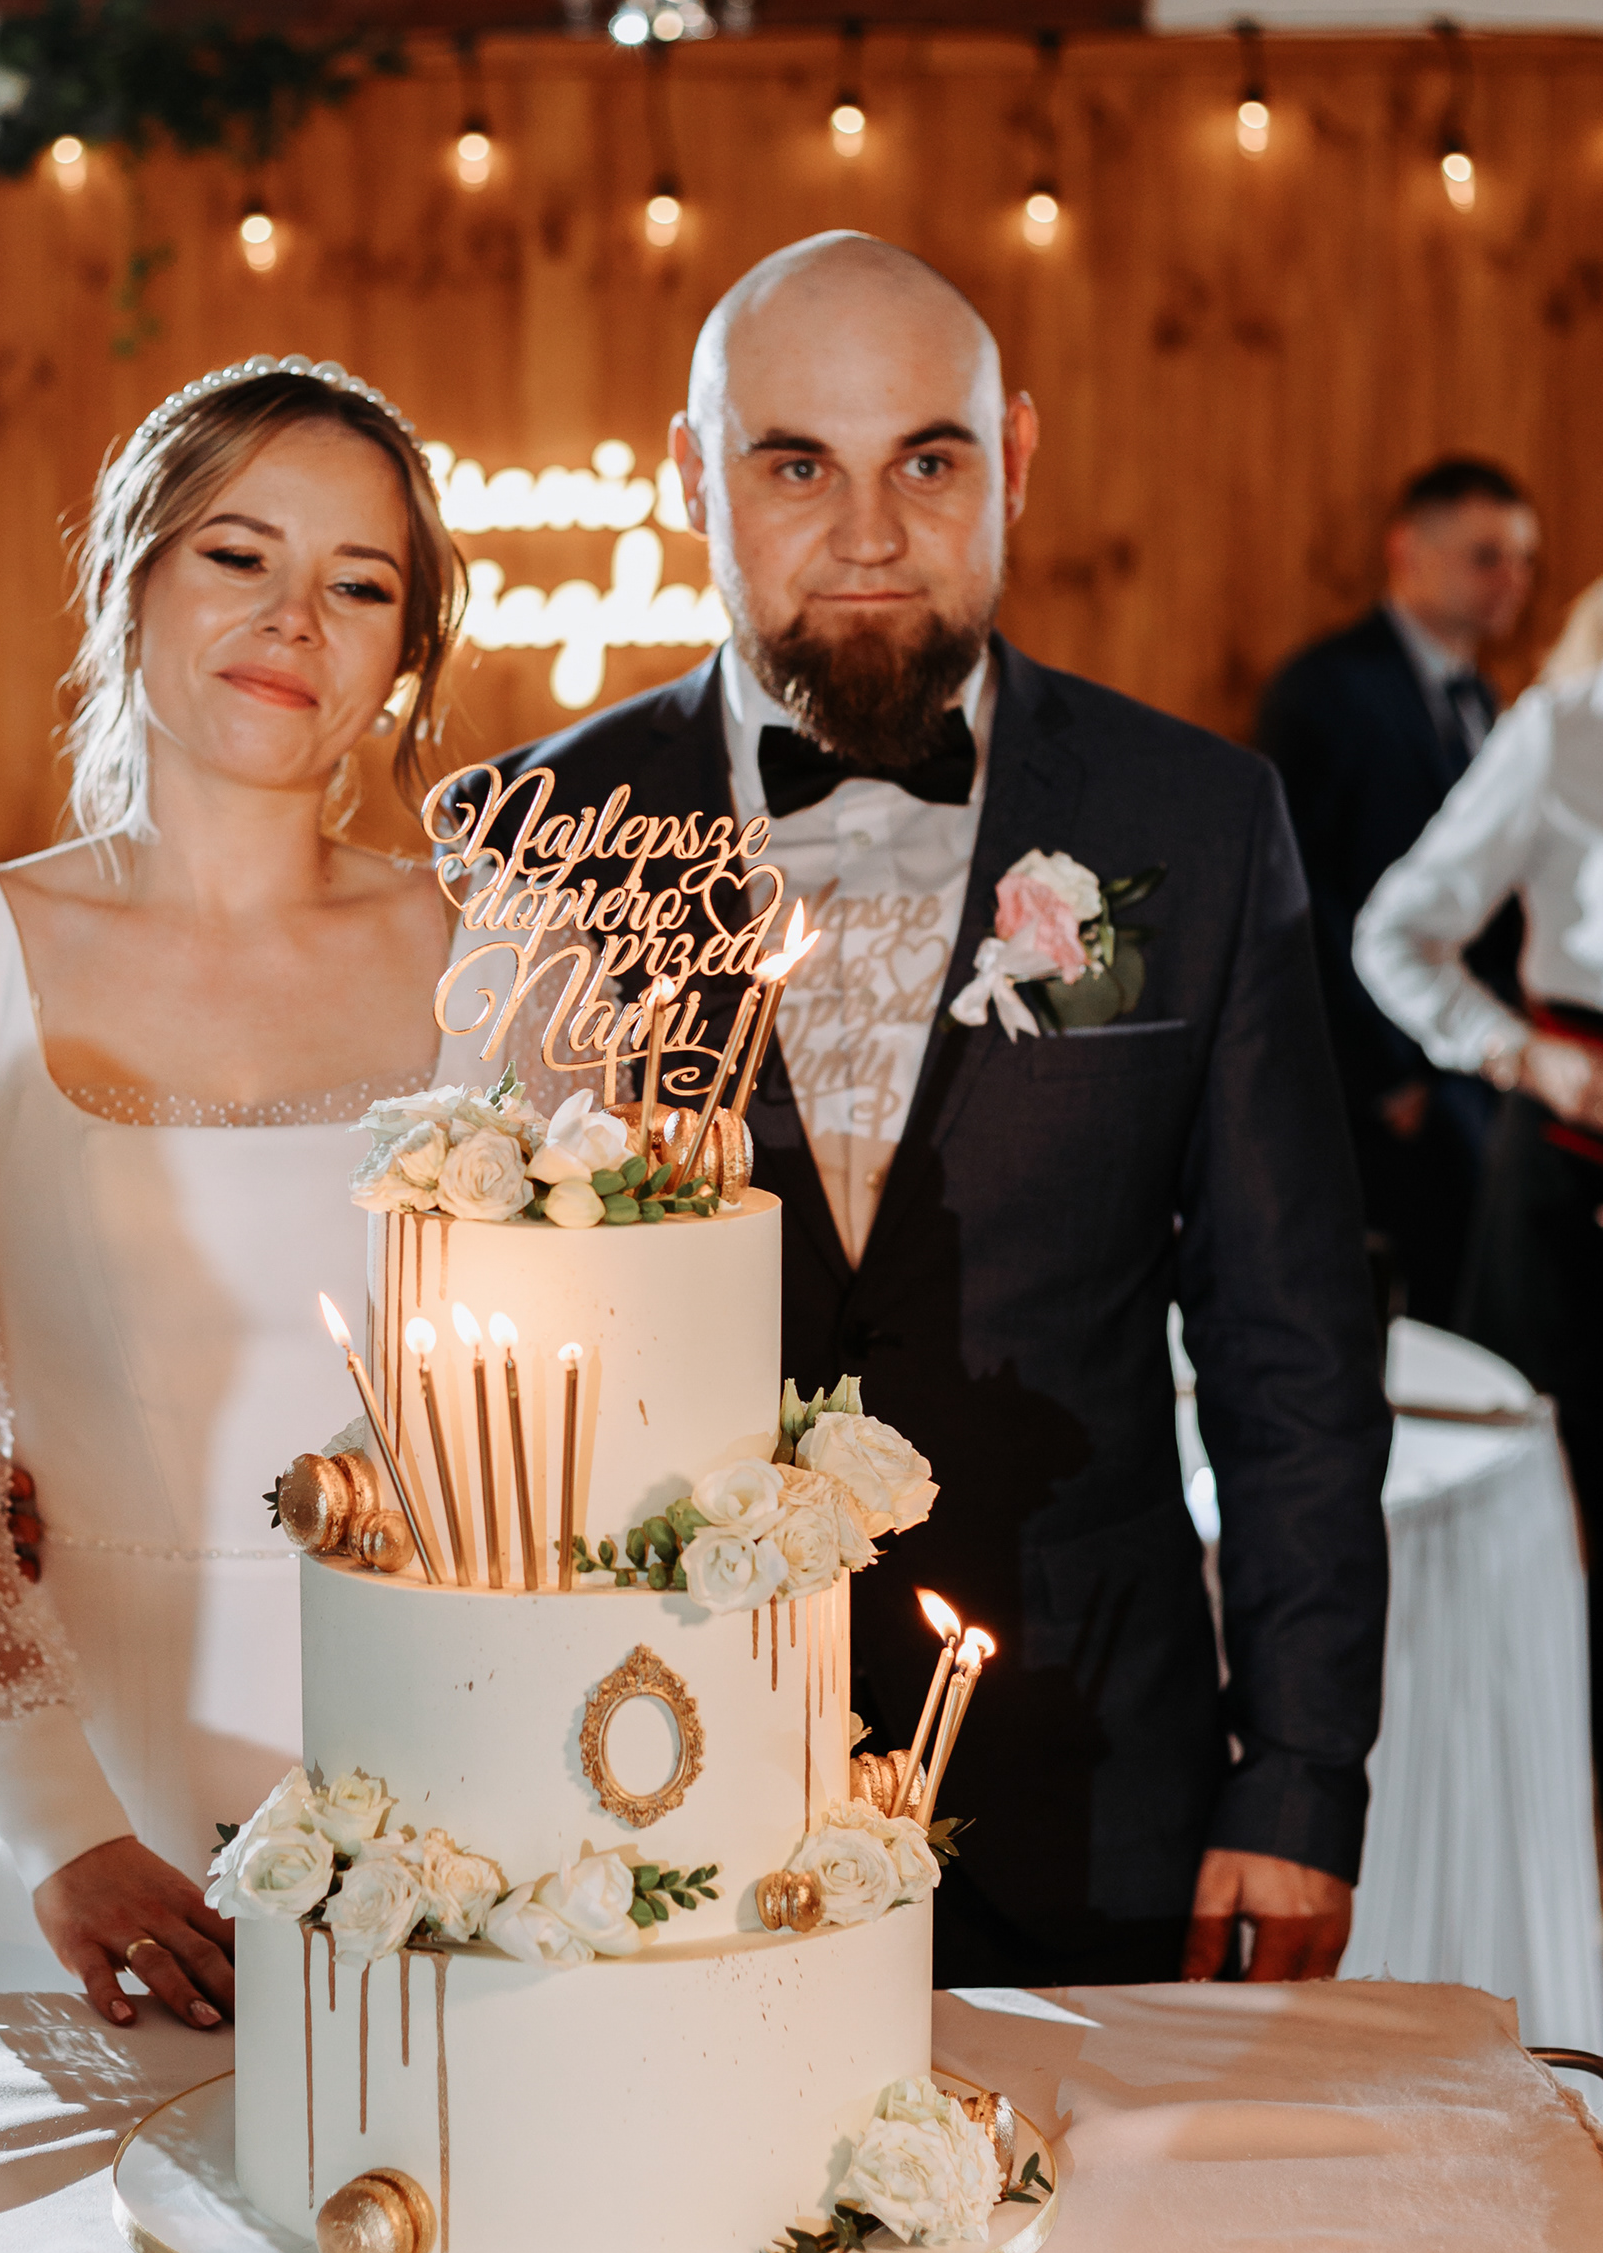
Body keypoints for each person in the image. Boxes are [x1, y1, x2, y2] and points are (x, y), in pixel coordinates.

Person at [471, 232, 1390, 1988]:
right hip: (649, 1776)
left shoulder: (1195, 822)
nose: (870, 533)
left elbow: (1293, 1353)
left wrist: (1300, 1778)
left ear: (1015, 460)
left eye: (928, 462)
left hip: (1093, 1766)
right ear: (691, 478)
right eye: (794, 466)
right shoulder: (533, 835)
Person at [0, 356, 465, 2023]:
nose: (294, 619)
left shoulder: (502, 958)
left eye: (360, 585)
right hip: (99, 1793)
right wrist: (63, 1831)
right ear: (127, 575)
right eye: (239, 555)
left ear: (407, 651)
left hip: (455, 1766)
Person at [1355, 646, 1603, 1777]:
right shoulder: (1567, 727)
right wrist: (1518, 1053)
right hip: (1572, 1166)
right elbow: (1392, 932)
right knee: (1544, 1514)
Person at [1256, 461, 1539, 1327]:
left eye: (1525, 561)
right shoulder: (1326, 689)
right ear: (1408, 551)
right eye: (1487, 556)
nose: (1513, 580)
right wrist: (1381, 1072)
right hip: (1376, 1074)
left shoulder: (1484, 697)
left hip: (1472, 1061)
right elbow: (1297, 889)